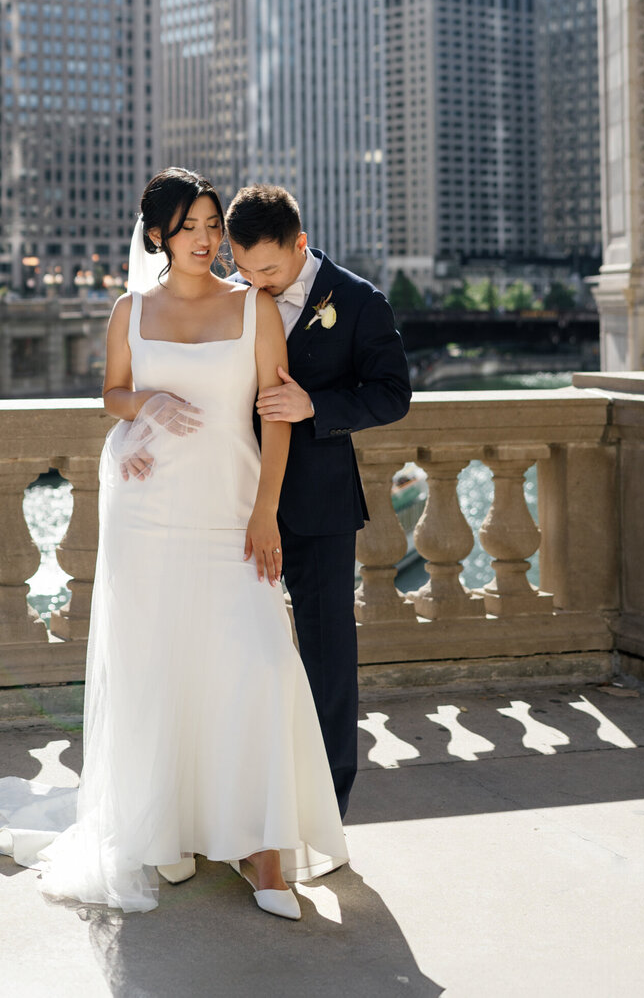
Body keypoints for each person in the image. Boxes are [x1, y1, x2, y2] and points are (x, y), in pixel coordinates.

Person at [0, 167, 346, 916]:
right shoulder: (130, 309)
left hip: (230, 513)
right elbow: (111, 397)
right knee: (162, 668)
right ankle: (170, 834)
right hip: (148, 516)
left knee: (258, 664)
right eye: (189, 226)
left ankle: (265, 854)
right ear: (157, 234)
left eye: (213, 225)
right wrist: (148, 402)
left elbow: (277, 414)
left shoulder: (254, 307)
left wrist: (266, 512)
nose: (206, 239)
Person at [226, 184, 412, 818]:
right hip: (228, 496)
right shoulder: (234, 299)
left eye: (269, 270)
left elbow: (393, 394)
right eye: (242, 268)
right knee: (233, 647)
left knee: (328, 654)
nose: (256, 283)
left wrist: (317, 406)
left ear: (300, 244)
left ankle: (328, 805)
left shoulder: (360, 301)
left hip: (321, 508)